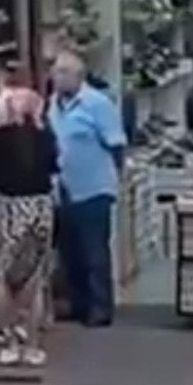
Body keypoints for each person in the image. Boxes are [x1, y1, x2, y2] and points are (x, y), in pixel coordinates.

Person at [0, 87, 57, 367]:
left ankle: (10, 343)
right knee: (34, 279)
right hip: (40, 209)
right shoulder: (45, 138)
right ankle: (32, 346)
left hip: (7, 209)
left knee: (3, 278)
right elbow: (54, 168)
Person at [47, 50, 125, 327]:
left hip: (94, 188)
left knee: (95, 251)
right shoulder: (52, 105)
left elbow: (116, 144)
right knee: (70, 252)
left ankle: (100, 306)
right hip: (62, 190)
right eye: (55, 72)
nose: (57, 78)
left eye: (63, 72)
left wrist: (114, 177)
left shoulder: (98, 104)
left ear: (79, 76)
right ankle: (78, 303)